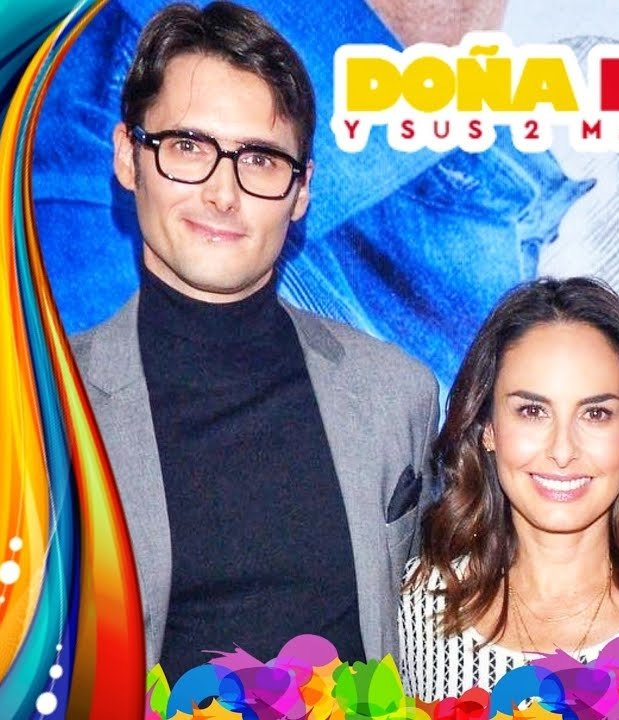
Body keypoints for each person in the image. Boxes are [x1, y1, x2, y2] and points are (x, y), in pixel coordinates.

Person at [67, 2, 438, 677]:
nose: (222, 193)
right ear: (128, 157)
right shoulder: (38, 403)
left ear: (301, 191)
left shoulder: (397, 395)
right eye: (187, 147)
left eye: (261, 159)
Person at [398, 277, 619, 702]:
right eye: (532, 411)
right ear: (488, 427)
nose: (563, 451)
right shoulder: (416, 609)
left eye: (595, 413)